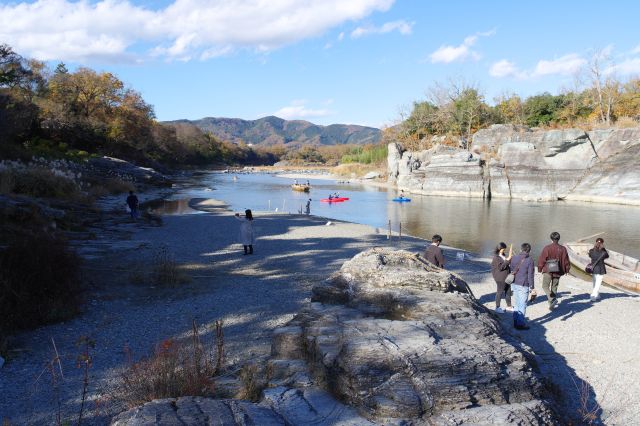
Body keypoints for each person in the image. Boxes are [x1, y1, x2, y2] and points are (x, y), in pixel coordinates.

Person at [537, 231, 571, 310]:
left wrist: (539, 268)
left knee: (545, 286)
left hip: (548, 270)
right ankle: (551, 304)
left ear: (551, 239)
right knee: (554, 287)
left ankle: (552, 300)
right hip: (558, 271)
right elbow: (566, 261)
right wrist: (567, 270)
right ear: (558, 239)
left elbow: (542, 259)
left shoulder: (547, 248)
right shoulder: (563, 249)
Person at [510, 243, 536, 330]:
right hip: (523, 284)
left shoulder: (514, 257)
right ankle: (520, 324)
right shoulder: (530, 260)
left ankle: (515, 321)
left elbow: (511, 269)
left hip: (514, 283)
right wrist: (532, 287)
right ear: (530, 251)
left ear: (521, 249)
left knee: (516, 303)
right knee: (522, 305)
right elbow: (530, 275)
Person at [491, 242, 513, 313]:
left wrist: (509, 259)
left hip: (507, 277)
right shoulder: (496, 258)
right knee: (499, 292)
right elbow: (501, 267)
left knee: (508, 292)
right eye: (503, 249)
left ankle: (509, 306)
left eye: (505, 249)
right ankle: (497, 307)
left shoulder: (502, 255)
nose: (504, 250)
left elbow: (506, 264)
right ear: (499, 249)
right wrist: (508, 259)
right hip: (500, 278)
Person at [588, 237, 609, 301]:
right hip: (600, 269)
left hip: (593, 268)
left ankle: (597, 295)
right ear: (602, 244)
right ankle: (593, 295)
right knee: (598, 283)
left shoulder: (591, 251)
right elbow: (607, 256)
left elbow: (590, 255)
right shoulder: (603, 252)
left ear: (595, 243)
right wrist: (603, 248)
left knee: (594, 282)